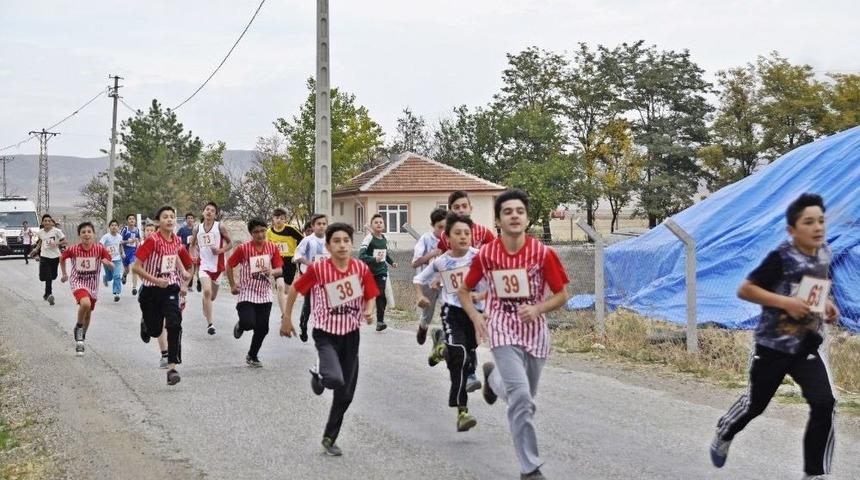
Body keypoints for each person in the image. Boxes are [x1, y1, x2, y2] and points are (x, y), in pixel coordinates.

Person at [710, 193, 838, 480]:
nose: (818, 227)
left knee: (825, 403)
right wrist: (785, 303)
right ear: (792, 231)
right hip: (773, 347)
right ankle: (725, 430)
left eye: (821, 221)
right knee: (756, 404)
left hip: (806, 345)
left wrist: (825, 305)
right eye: (809, 222)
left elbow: (811, 288)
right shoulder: (780, 257)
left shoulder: (824, 253)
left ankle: (815, 473)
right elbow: (746, 289)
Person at [458, 189, 570, 480]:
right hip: (502, 328)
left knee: (523, 396)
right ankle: (529, 468)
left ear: (527, 218)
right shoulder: (487, 255)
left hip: (535, 334)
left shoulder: (543, 254)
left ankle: (493, 380)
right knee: (521, 399)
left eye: (519, 211)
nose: (514, 216)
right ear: (498, 220)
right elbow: (464, 290)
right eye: (508, 212)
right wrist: (475, 316)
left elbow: (562, 295)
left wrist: (538, 308)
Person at [279, 222, 379, 457]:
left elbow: (371, 294)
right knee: (334, 378)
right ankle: (322, 373)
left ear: (351, 244)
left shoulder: (360, 269)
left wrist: (369, 310)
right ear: (328, 245)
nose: (342, 245)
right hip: (325, 333)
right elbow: (295, 289)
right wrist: (287, 318)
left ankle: (329, 437)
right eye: (337, 241)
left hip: (351, 334)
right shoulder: (318, 269)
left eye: (346, 240)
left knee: (346, 394)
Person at [414, 212, 487, 432]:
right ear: (448, 237)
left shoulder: (480, 257)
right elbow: (418, 278)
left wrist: (482, 297)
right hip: (452, 312)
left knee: (466, 357)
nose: (463, 237)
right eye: (458, 233)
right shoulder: (442, 261)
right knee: (461, 355)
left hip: (475, 314)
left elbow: (494, 281)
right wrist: (420, 296)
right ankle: (462, 411)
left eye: (467, 233)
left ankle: (441, 347)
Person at [133, 206, 194, 386]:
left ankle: (172, 368)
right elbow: (136, 268)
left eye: (172, 217)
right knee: (155, 331)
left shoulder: (177, 240)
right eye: (165, 217)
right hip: (151, 290)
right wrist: (156, 280)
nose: (169, 220)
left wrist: (183, 274)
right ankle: (146, 323)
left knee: (174, 324)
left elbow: (179, 259)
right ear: (158, 221)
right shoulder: (151, 241)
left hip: (170, 288)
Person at [227, 217, 283, 368]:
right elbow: (229, 264)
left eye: (262, 231)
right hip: (247, 291)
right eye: (256, 232)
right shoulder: (243, 249)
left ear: (266, 230)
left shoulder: (272, 248)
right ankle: (241, 325)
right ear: (251, 233)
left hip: (264, 292)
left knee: (263, 328)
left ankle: (252, 355)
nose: (260, 234)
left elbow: (279, 268)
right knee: (248, 323)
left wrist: (272, 270)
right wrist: (233, 285)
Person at [59, 222, 113, 356]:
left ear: (93, 234)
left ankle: (81, 339)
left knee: (88, 314)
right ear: (79, 235)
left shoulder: (100, 249)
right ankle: (78, 326)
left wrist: (108, 264)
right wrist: (65, 273)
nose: (86, 234)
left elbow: (111, 264)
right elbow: (62, 257)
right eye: (83, 232)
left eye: (89, 231)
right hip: (78, 282)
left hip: (92, 284)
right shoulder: (73, 249)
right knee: (85, 303)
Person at [189, 202, 232, 335]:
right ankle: (210, 324)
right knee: (207, 291)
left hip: (218, 266)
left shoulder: (220, 226)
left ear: (215, 214)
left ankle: (206, 303)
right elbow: (192, 245)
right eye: (207, 210)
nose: (209, 212)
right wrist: (193, 255)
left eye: (212, 211)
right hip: (204, 265)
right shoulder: (197, 228)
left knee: (212, 297)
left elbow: (230, 244)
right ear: (203, 212)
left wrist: (219, 251)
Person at [412, 208, 447, 345]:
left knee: (448, 309)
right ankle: (423, 326)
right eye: (440, 227)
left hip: (445, 282)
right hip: (428, 283)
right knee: (428, 313)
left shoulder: (451, 238)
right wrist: (433, 254)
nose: (443, 231)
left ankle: (445, 337)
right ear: (433, 226)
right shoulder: (426, 239)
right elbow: (415, 263)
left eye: (446, 227)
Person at [293, 214, 329, 342]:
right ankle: (303, 324)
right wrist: (309, 263)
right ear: (313, 226)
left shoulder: (330, 240)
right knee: (309, 302)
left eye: (324, 224)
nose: (321, 226)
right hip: (308, 275)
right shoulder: (307, 240)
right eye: (318, 224)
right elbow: (296, 256)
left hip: (324, 277)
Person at [358, 214, 397, 332]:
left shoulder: (384, 238)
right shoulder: (368, 239)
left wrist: (391, 262)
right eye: (376, 222)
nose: (379, 224)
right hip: (369, 272)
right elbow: (361, 256)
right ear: (372, 225)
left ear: (384, 225)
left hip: (381, 271)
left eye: (381, 222)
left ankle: (380, 321)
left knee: (381, 294)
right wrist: (374, 259)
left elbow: (384, 253)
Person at [267, 207, 304, 320]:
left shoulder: (291, 229)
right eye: (277, 218)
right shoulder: (269, 232)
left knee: (287, 290)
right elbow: (268, 248)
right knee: (280, 287)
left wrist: (297, 254)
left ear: (285, 220)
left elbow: (303, 241)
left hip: (290, 261)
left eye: (282, 218)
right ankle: (284, 314)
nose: (279, 220)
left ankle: (286, 309)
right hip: (277, 261)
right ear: (273, 219)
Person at [29, 214, 67, 305]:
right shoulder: (40, 232)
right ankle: (49, 295)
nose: (47, 222)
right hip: (44, 256)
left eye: (48, 221)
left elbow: (65, 241)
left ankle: (46, 294)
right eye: (45, 221)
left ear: (51, 223)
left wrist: (56, 243)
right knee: (46, 277)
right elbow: (40, 242)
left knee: (53, 276)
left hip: (55, 257)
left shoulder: (57, 231)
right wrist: (35, 250)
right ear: (42, 222)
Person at [100, 219, 124, 302]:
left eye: (115, 225)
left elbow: (120, 246)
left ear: (118, 227)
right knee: (110, 277)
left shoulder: (120, 236)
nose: (114, 227)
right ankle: (105, 278)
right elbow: (100, 245)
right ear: (109, 227)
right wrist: (102, 255)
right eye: (112, 225)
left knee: (117, 276)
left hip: (117, 259)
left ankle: (116, 293)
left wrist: (122, 253)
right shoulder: (106, 236)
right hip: (108, 260)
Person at [120, 214, 142, 295]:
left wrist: (137, 240)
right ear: (127, 221)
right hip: (125, 252)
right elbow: (120, 241)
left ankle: (134, 288)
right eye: (130, 219)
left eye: (133, 219)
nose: (132, 220)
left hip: (133, 252)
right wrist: (128, 242)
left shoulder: (137, 230)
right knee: (127, 270)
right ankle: (124, 275)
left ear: (135, 221)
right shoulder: (125, 229)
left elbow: (140, 239)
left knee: (134, 268)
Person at [177, 212, 199, 291]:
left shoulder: (196, 230)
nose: (190, 220)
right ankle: (181, 282)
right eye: (188, 218)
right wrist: (182, 244)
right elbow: (177, 239)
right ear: (186, 220)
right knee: (183, 268)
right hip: (184, 251)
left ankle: (190, 285)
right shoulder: (182, 230)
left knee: (192, 268)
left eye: (191, 218)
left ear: (194, 220)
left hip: (193, 252)